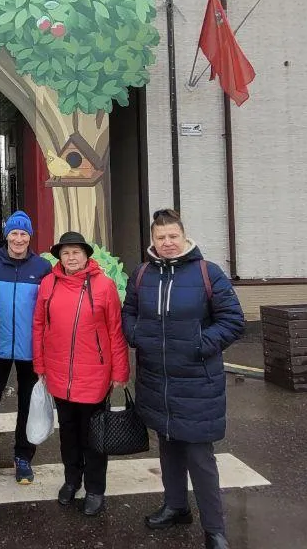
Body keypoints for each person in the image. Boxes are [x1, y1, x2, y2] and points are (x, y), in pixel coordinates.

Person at [122, 209, 245, 549]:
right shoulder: (142, 274)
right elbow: (129, 311)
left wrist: (200, 344)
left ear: (184, 236)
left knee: (199, 457)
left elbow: (233, 320)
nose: (167, 242)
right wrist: (136, 335)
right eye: (161, 237)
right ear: (153, 240)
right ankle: (176, 506)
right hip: (156, 379)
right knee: (168, 447)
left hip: (196, 382)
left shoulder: (208, 273)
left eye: (173, 236)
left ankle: (214, 529)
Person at [33, 231, 129, 517]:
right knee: (68, 434)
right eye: (66, 253)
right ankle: (71, 480)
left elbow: (115, 331)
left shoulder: (104, 285)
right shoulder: (48, 283)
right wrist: (40, 365)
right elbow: (39, 325)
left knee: (94, 437)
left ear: (86, 255)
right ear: (59, 257)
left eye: (76, 252)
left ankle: (95, 488)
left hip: (94, 375)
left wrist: (120, 371)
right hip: (59, 373)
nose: (71, 257)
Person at [0, 210, 52, 485]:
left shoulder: (42, 267)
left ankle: (23, 456)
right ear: (7, 236)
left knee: (29, 403)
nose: (18, 239)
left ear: (30, 237)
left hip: (31, 348)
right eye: (14, 233)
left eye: (23, 233)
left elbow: (48, 308)